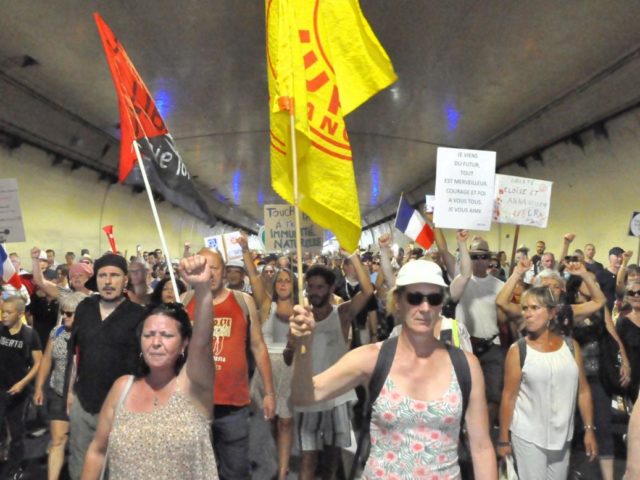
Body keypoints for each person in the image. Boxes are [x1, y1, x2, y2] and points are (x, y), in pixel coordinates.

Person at [290, 259, 496, 479]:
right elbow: (305, 396)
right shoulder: (373, 358)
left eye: (434, 299)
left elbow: (482, 447)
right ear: (398, 301)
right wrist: (303, 347)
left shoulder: (465, 365)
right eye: (414, 298)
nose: (425, 308)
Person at [81, 255, 218, 479]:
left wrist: (202, 289)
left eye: (166, 335)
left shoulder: (193, 386)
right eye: (149, 335)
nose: (156, 342)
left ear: (184, 343)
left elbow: (202, 343)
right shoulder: (122, 388)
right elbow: (97, 451)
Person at [184, 248, 275, 480]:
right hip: (193, 401)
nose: (209, 273)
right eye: (203, 267)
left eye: (214, 268)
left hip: (233, 403)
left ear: (223, 272)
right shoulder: (184, 301)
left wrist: (269, 392)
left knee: (235, 470)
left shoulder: (242, 301)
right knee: (194, 469)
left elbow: (258, 347)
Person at [498, 286, 597, 479]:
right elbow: (508, 397)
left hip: (563, 436)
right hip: (528, 435)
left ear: (552, 313)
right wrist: (503, 439)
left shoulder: (570, 347)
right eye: (525, 308)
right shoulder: (518, 350)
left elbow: (583, 391)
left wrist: (589, 429)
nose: (528, 314)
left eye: (535, 308)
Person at [64, 253, 145, 480]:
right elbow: (76, 353)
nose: (108, 281)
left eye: (114, 275)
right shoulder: (85, 308)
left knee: (115, 465)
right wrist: (70, 391)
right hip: (83, 400)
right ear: (96, 279)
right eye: (103, 275)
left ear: (125, 280)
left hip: (120, 405)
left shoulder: (138, 315)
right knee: (80, 461)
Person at [33, 292, 87, 480]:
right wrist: (39, 387)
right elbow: (47, 360)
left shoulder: (92, 335)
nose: (64, 316)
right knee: (57, 440)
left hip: (83, 396)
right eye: (63, 312)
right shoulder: (56, 332)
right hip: (58, 391)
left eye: (70, 313)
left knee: (82, 444)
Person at [0, 296, 43, 479]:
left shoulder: (29, 335)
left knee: (17, 431)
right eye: (2, 311)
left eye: (8, 312)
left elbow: (38, 363)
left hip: (18, 391)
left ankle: (15, 466)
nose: (4, 316)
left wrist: (23, 383)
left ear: (19, 314)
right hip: (0, 389)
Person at [616, 280, 640, 402]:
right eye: (632, 293)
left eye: (639, 292)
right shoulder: (623, 322)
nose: (636, 296)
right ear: (627, 297)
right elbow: (617, 349)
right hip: (633, 381)